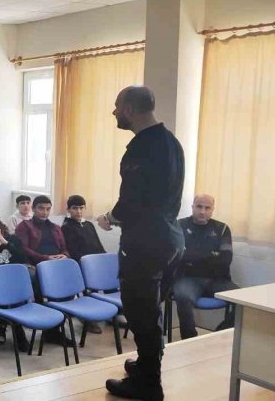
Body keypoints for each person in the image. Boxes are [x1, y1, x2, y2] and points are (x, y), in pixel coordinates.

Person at [98, 86, 185, 400]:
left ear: (130, 109)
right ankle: (148, 365)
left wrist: (110, 217)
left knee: (140, 314)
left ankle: (148, 385)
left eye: (117, 105)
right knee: (151, 311)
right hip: (171, 239)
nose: (114, 112)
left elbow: (131, 201)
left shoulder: (141, 148)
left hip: (146, 243)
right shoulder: (171, 142)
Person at [173, 194, 238, 339]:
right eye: (199, 207)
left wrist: (191, 257)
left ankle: (217, 336)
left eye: (207, 208)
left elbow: (226, 260)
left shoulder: (222, 229)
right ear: (192, 207)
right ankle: (190, 340)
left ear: (213, 209)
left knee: (244, 301)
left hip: (218, 280)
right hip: (187, 278)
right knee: (182, 297)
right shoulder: (179, 226)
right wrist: (211, 255)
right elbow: (177, 256)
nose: (203, 211)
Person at [15, 195, 70, 264]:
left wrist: (65, 255)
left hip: (58, 262)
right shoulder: (24, 226)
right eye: (41, 208)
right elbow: (23, 249)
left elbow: (64, 248)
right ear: (33, 209)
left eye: (48, 209)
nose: (45, 212)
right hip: (37, 264)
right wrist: (45, 258)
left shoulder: (55, 227)